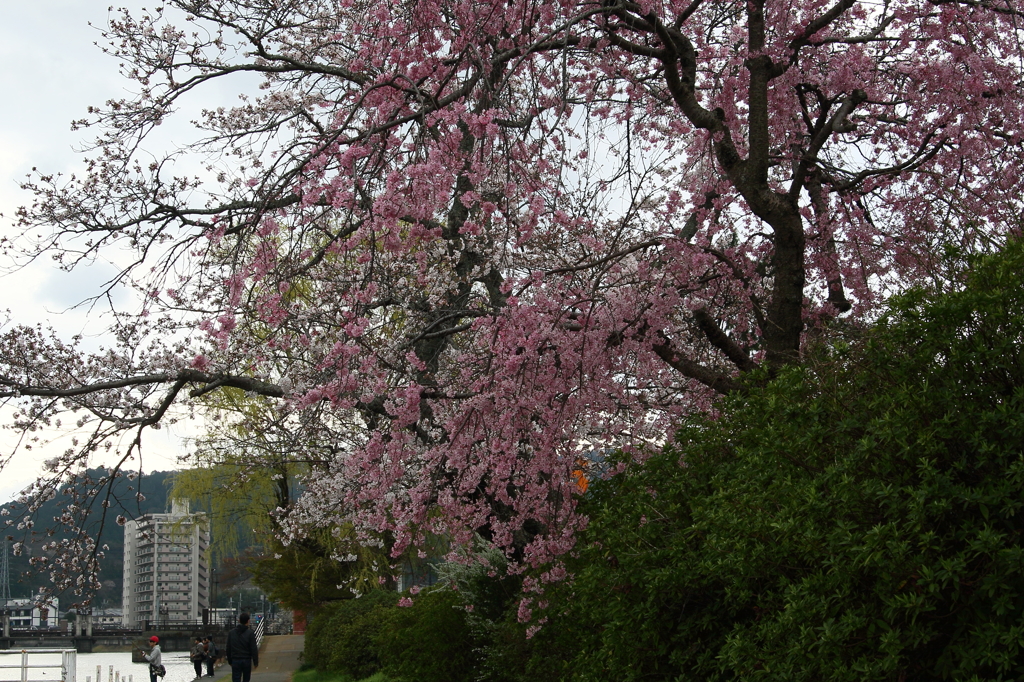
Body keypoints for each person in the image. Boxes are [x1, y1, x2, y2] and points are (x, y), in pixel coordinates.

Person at [225, 613, 259, 682]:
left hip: (235, 659)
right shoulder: (250, 633)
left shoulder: (231, 633)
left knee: (236, 678)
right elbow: (253, 648)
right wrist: (255, 661)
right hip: (246, 659)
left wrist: (230, 661)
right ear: (248, 621)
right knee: (246, 678)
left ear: (239, 620)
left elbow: (228, 648)